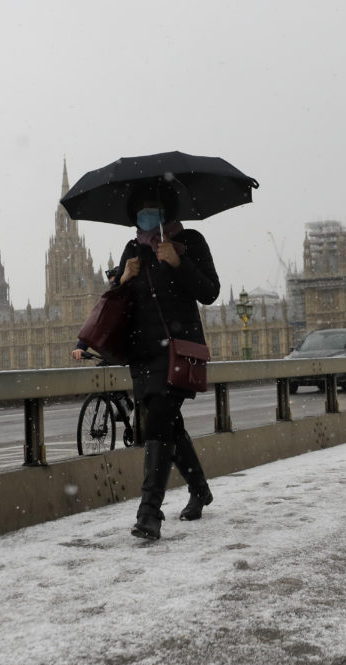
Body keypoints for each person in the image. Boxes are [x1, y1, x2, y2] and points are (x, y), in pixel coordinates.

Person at [110, 183, 220, 540]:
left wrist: (179, 261)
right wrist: (122, 278)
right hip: (142, 353)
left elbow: (209, 291)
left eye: (153, 207)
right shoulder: (133, 249)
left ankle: (149, 512)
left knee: (159, 420)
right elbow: (116, 301)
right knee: (167, 424)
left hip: (178, 350)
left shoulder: (191, 241)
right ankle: (199, 489)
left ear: (168, 209)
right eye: (141, 209)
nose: (148, 214)